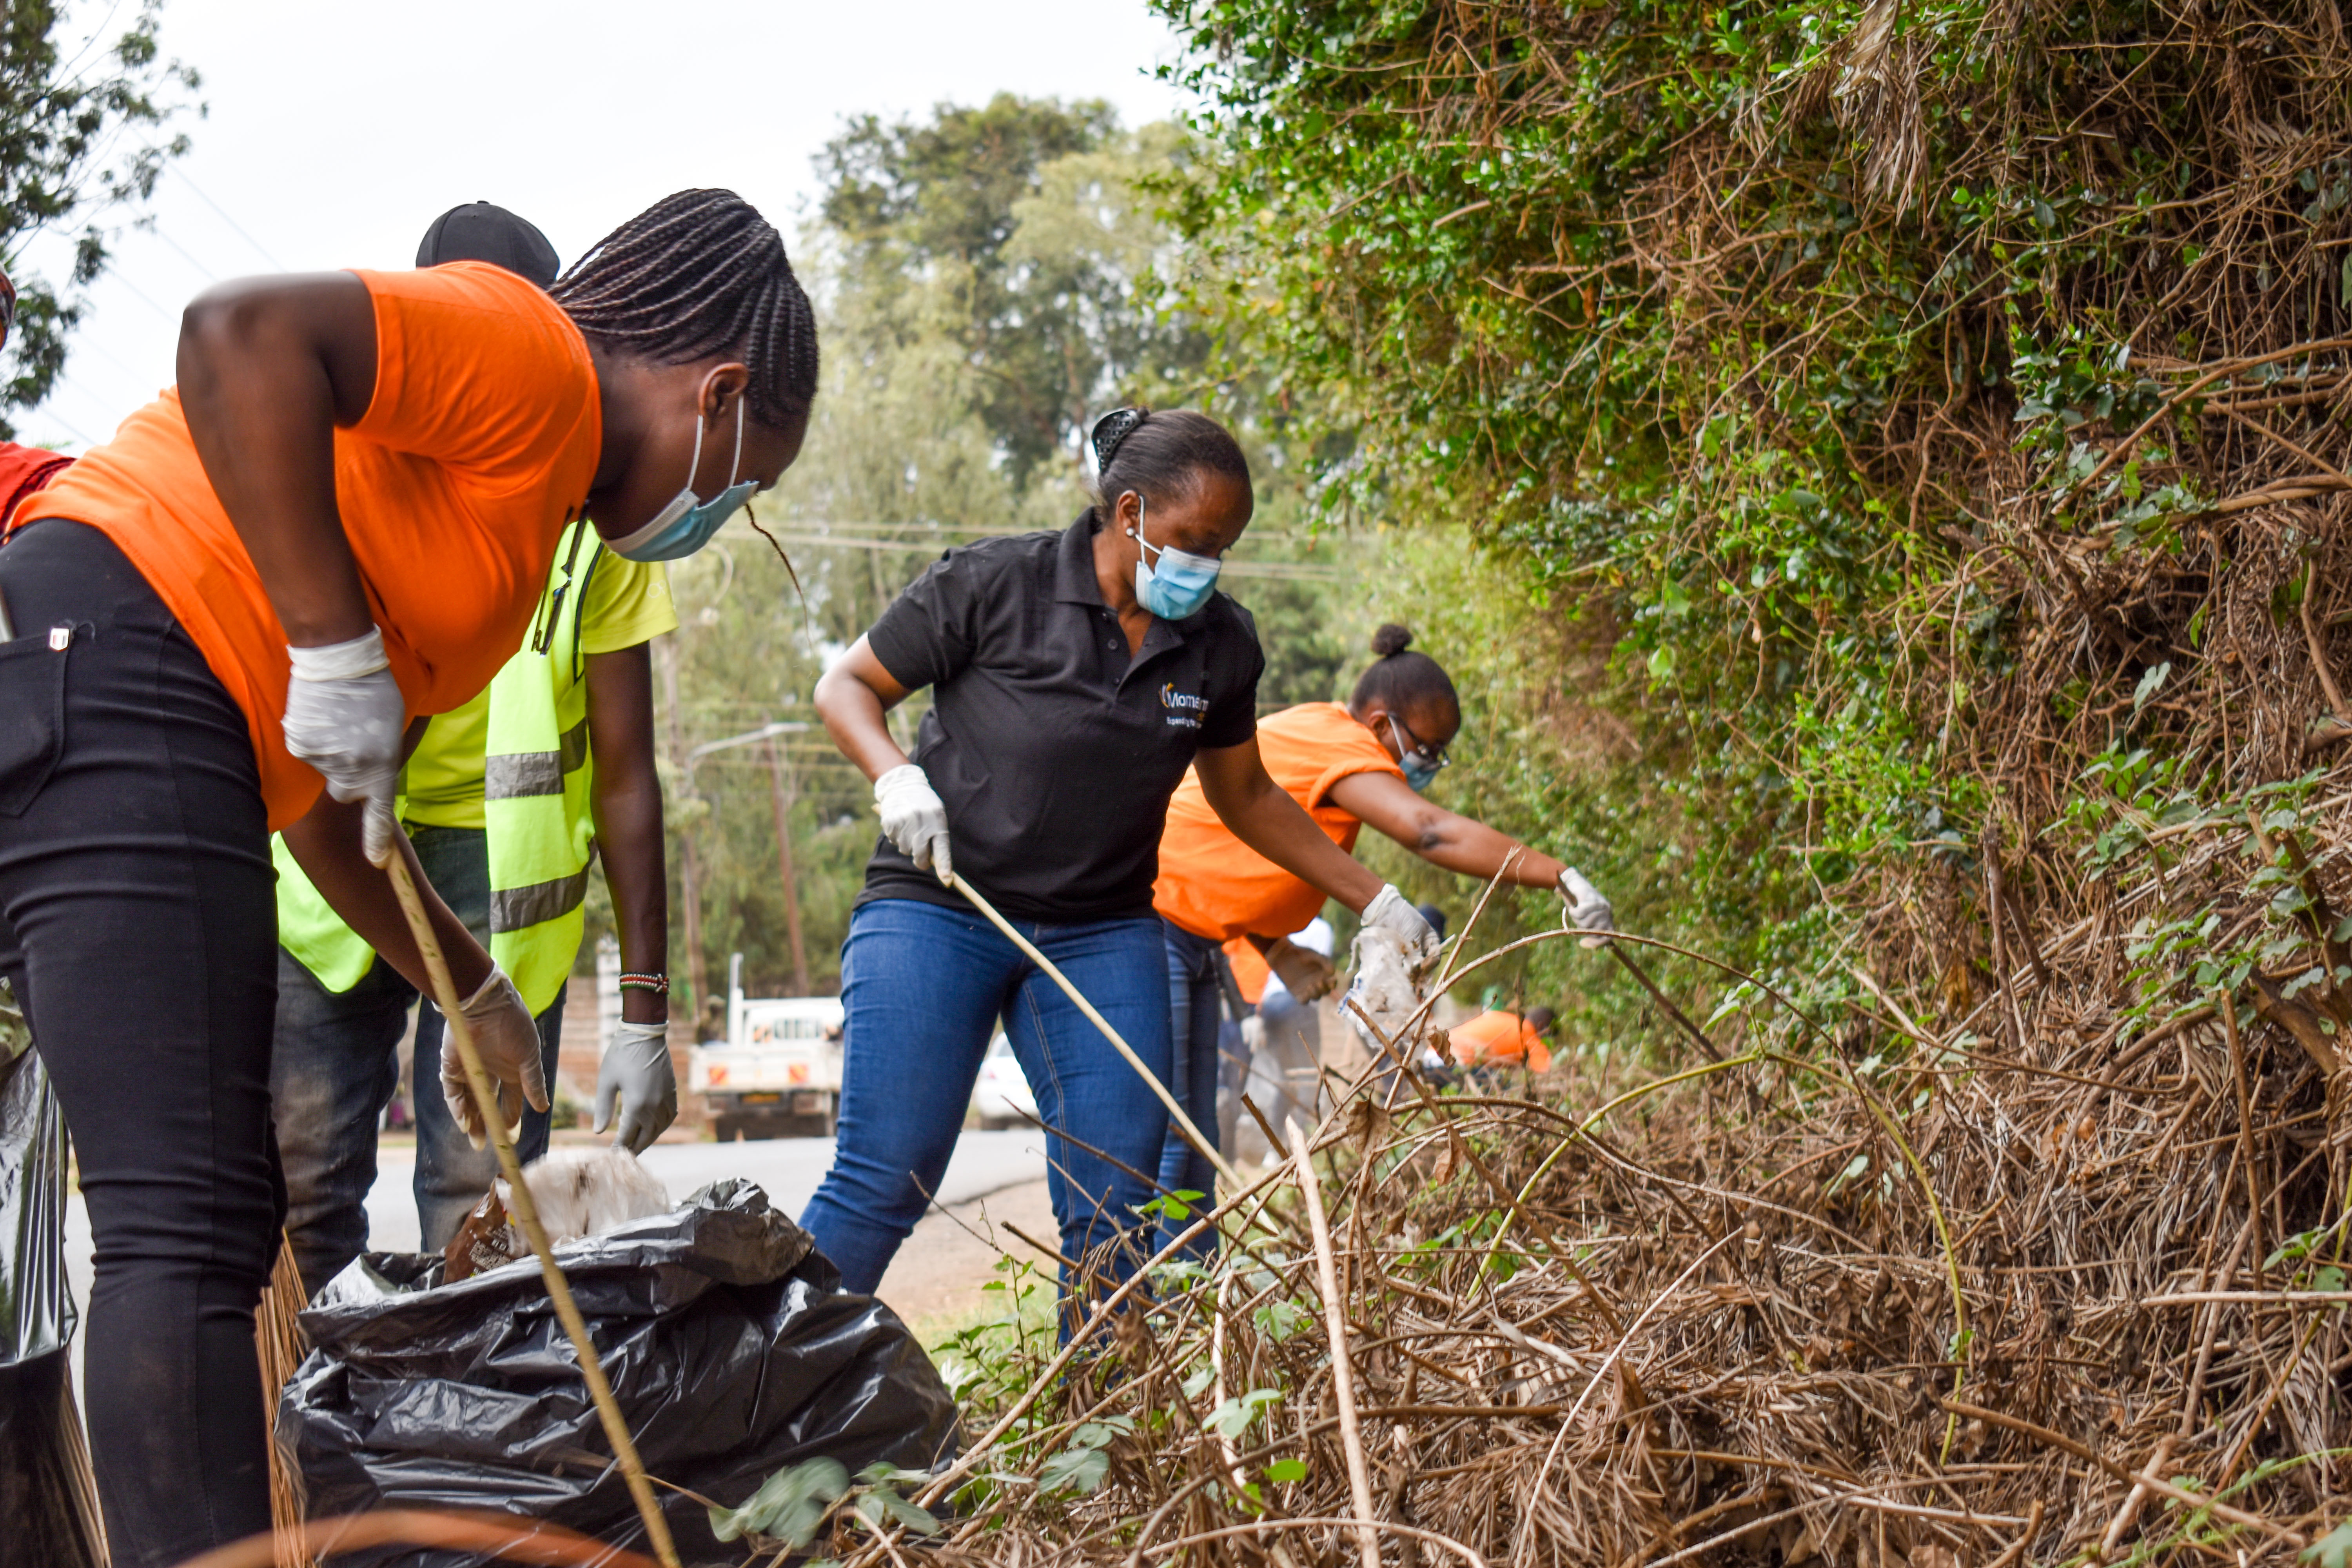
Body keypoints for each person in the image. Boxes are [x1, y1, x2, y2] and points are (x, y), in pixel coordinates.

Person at [0, 187, 817, 1566]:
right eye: (747, 480)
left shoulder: (520, 515)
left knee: (195, 1218)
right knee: (188, 1226)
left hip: (111, 689)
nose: (721, 512)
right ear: (719, 391)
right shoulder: (539, 357)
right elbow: (238, 334)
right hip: (125, 665)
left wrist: (474, 987)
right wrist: (328, 645)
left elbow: (330, 809)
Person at [799, 407, 1439, 1305]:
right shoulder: (997, 582)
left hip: (1103, 931)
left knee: (1118, 1204)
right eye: (1196, 540)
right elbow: (847, 685)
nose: (1208, 565)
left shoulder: (1220, 643)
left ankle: (1099, 1398)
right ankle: (769, 1379)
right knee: (886, 1174)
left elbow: (1248, 796)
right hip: (942, 906)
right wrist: (894, 775)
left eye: (1224, 548)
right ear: (1130, 512)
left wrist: (1376, 899)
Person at [267, 204, 680, 1296]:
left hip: (503, 887)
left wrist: (646, 1009)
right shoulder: (343, 465)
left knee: (481, 1204)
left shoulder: (596, 520)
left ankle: (460, 1404)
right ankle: (311, 1404)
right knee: (304, 1183)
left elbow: (629, 776)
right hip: (331, 872)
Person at [1152, 625, 1615, 1205]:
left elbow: (1225, 849)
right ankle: (1134, 1265)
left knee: (1194, 1138)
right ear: (1379, 725)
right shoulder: (1340, 743)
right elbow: (1429, 831)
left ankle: (1175, 1263)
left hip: (1194, 936)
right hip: (1159, 928)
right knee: (1174, 1137)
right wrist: (1561, 875)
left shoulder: (1318, 735)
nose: (1429, 766)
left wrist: (1275, 949)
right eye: (1427, 750)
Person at [1446, 1003, 1555, 1073]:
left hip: (1440, 1050)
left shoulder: (1503, 1017)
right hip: (1456, 1063)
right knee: (1504, 1087)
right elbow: (1545, 1071)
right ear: (1542, 1027)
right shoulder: (1529, 1036)